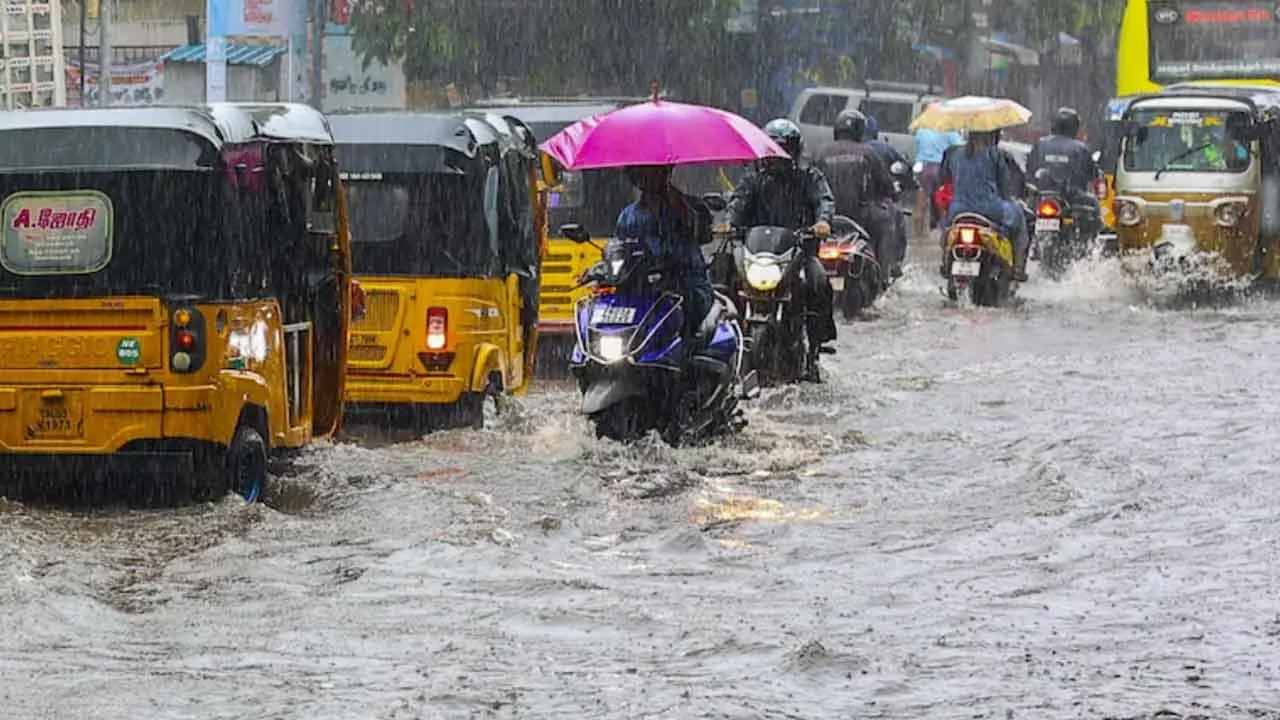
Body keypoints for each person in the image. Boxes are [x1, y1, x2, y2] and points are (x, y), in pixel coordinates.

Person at [721, 118, 837, 375]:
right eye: (772, 149)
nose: (776, 156)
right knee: (722, 275)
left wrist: (822, 222)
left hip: (798, 252)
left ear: (793, 152)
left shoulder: (809, 178)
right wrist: (729, 223)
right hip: (756, 254)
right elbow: (737, 204)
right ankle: (722, 340)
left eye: (782, 150)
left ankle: (816, 344)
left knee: (819, 282)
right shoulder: (753, 180)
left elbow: (824, 201)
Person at [615, 164, 716, 347]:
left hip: (687, 285)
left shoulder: (689, 206)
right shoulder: (628, 216)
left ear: (665, 172)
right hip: (644, 290)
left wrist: (683, 210)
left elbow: (704, 233)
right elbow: (620, 250)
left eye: (651, 172)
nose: (645, 178)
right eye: (639, 173)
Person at [812, 109, 898, 278]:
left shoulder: (820, 153)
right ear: (860, 131)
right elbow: (885, 185)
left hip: (826, 218)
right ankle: (883, 274)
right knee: (887, 222)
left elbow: (811, 185)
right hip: (862, 218)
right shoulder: (868, 153)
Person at [939, 128, 1030, 281]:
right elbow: (1005, 188)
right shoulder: (996, 154)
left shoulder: (953, 153)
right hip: (991, 210)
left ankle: (945, 261)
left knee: (947, 231)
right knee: (1019, 213)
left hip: (958, 211)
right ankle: (1018, 267)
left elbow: (944, 179)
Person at [1026, 107, 1102, 241]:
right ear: (1074, 127)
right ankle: (1091, 246)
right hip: (1070, 197)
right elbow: (1092, 173)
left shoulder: (1040, 143)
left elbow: (1029, 169)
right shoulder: (1080, 148)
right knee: (1094, 206)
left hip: (1040, 195)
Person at [864, 115, 915, 277]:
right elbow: (903, 169)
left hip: (853, 205)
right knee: (895, 221)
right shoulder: (882, 148)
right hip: (879, 201)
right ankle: (892, 265)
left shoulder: (841, 149)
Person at [914, 108, 965, 232]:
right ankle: (942, 230)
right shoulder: (947, 130)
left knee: (921, 201)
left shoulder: (922, 130)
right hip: (939, 167)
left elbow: (919, 145)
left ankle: (918, 233)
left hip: (921, 167)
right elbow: (960, 145)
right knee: (941, 200)